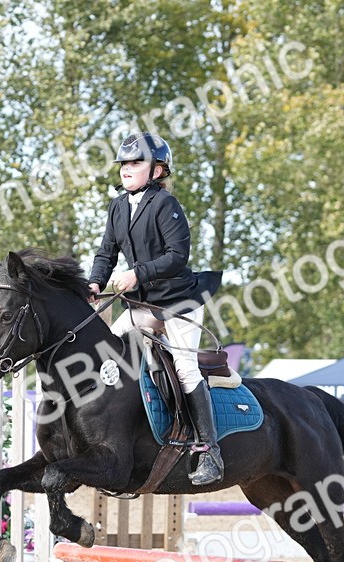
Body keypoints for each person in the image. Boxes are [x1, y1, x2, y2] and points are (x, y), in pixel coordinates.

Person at [87, 132, 223, 485]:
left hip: (179, 302)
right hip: (141, 303)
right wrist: (94, 283)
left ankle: (208, 452)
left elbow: (177, 257)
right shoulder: (118, 206)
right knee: (107, 350)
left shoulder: (166, 205)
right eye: (124, 164)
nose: (126, 170)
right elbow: (106, 253)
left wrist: (137, 273)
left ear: (158, 169)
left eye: (135, 163)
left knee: (185, 368)